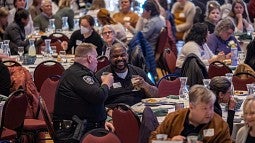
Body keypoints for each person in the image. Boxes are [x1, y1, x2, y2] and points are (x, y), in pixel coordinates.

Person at [53, 43, 114, 142]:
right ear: (90, 58)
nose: (97, 61)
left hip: (82, 128)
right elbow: (98, 96)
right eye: (96, 58)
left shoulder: (75, 72)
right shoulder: (78, 75)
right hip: (73, 134)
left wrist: (100, 123)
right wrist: (107, 83)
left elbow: (87, 102)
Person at [150, 84, 232, 143]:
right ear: (191, 107)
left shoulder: (220, 125)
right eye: (204, 108)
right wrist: (171, 141)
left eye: (211, 107)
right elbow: (152, 139)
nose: (210, 112)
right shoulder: (174, 118)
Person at [95, 42, 158, 115]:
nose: (119, 58)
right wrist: (107, 110)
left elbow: (156, 95)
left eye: (123, 55)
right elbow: (94, 102)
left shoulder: (138, 72)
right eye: (115, 56)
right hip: (115, 114)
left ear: (127, 56)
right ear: (109, 58)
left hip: (140, 111)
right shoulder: (102, 76)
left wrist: (145, 85)